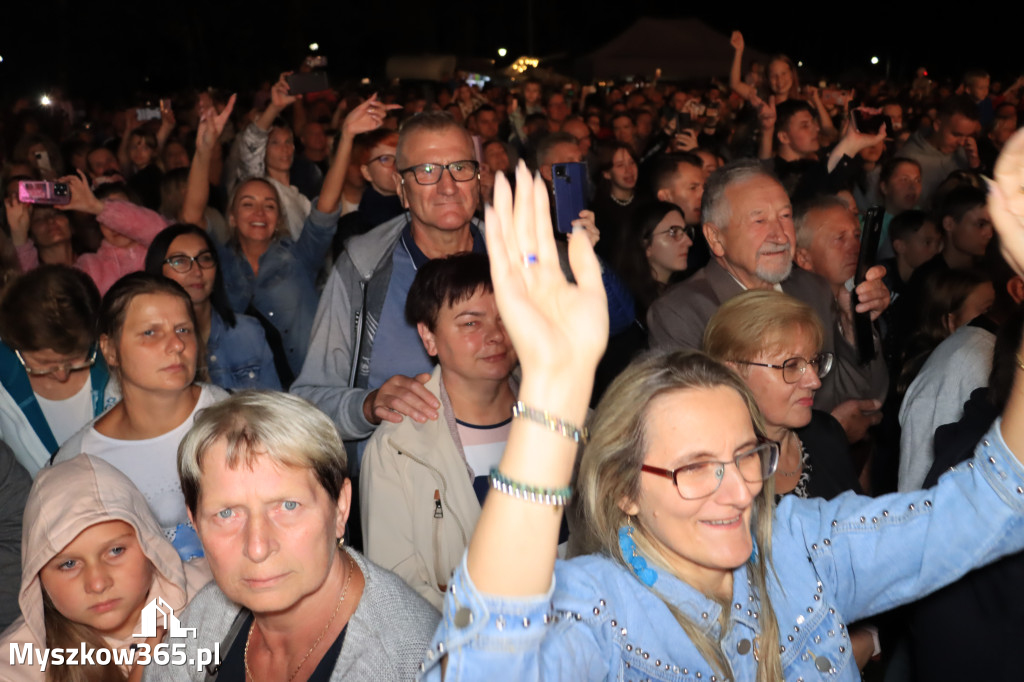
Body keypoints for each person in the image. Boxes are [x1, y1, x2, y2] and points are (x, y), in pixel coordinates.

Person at [418, 152, 1024, 682]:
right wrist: (554, 385)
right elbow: (485, 665)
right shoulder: (601, 607)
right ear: (626, 488)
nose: (738, 491)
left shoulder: (798, 546)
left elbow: (986, 504)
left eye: (744, 455)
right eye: (695, 468)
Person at [147, 391, 439, 681]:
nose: (258, 548)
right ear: (194, 523)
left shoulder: (411, 662)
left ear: (340, 508)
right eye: (227, 514)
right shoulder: (206, 617)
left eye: (288, 506)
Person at [291, 112, 487, 466]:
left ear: (478, 178)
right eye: (427, 171)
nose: (447, 186)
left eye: (460, 167)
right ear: (401, 187)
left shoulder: (518, 258)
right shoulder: (364, 266)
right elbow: (308, 401)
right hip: (399, 489)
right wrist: (368, 405)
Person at [647, 161, 889, 441]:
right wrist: (825, 437)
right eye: (759, 220)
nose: (780, 235)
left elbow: (868, 399)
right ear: (715, 237)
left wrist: (853, 322)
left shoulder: (812, 289)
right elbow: (694, 431)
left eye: (785, 216)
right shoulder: (682, 314)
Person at [360, 252, 518, 608]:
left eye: (506, 317)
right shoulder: (397, 449)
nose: (495, 336)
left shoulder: (570, 422)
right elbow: (398, 598)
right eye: (470, 324)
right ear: (428, 337)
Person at [54, 273, 228, 560]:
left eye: (183, 329)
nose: (176, 345)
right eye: (151, 332)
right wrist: (166, 607)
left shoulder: (238, 419)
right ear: (110, 349)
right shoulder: (82, 461)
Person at [0, 454, 210, 682]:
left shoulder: (214, 591)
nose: (98, 583)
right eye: (69, 564)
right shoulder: (15, 666)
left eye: (116, 551)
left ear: (150, 545)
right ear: (37, 577)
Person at [704, 291, 860, 501]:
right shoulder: (713, 470)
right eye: (793, 365)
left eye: (814, 361)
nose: (815, 381)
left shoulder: (826, 434)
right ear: (733, 374)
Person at [0, 266, 117, 476]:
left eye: (74, 359)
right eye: (44, 363)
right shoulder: (4, 380)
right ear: (14, 346)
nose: (61, 375)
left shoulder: (115, 363)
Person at [144, 224, 281, 392]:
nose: (197, 271)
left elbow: (275, 407)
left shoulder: (248, 331)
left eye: (205, 259)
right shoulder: (148, 343)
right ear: (158, 271)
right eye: (180, 261)